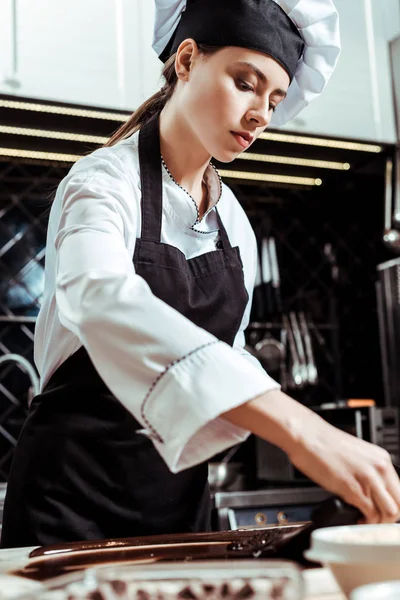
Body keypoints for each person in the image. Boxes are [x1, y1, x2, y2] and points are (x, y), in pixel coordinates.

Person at [1, 0, 399, 549]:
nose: (262, 112)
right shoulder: (101, 182)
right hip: (68, 502)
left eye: (275, 99)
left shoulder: (233, 221)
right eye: (246, 82)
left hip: (179, 503)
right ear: (186, 59)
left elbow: (228, 355)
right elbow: (98, 297)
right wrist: (301, 430)